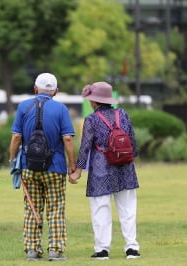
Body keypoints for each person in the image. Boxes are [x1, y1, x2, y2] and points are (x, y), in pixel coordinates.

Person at [9, 73, 77, 261]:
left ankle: (32, 250)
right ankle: (55, 250)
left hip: (29, 167)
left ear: (35, 88)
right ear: (55, 91)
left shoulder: (23, 107)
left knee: (32, 208)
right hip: (55, 168)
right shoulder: (61, 109)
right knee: (56, 209)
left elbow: (16, 137)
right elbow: (68, 138)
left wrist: (12, 159)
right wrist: (72, 165)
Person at [69, 81, 141, 260]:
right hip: (125, 168)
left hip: (101, 168)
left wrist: (77, 171)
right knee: (128, 209)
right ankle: (131, 248)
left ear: (94, 101)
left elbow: (85, 147)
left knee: (101, 208)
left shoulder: (91, 120)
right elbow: (133, 143)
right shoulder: (122, 114)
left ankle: (102, 250)